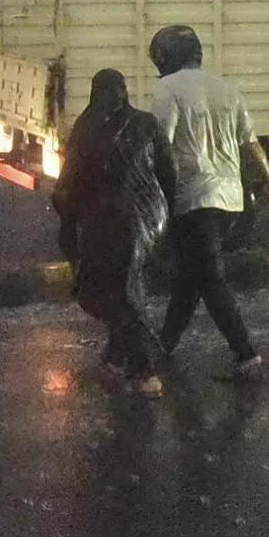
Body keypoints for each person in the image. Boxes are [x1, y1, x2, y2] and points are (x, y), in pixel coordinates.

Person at [148, 24, 269, 381]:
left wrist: (151, 192)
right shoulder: (228, 89)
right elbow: (250, 142)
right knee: (190, 277)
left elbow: (162, 146)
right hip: (229, 200)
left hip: (192, 197)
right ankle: (161, 347)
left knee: (208, 278)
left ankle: (246, 355)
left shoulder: (168, 89)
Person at [51, 69, 179, 394]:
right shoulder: (146, 123)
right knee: (124, 281)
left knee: (107, 291)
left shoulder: (85, 129)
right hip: (151, 218)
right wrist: (168, 217)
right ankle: (117, 351)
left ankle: (143, 368)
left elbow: (69, 184)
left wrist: (68, 219)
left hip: (107, 220)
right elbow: (170, 172)